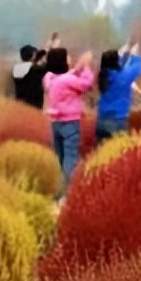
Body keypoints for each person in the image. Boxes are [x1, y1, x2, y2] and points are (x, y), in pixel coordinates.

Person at [43, 47, 94, 191]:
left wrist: (77, 68)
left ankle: (58, 187)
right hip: (70, 122)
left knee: (59, 157)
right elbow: (86, 85)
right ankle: (67, 190)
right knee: (70, 156)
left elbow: (67, 77)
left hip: (55, 123)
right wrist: (86, 68)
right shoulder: (68, 80)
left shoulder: (49, 78)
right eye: (67, 57)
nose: (69, 59)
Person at [95, 39, 141, 144]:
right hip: (117, 121)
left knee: (101, 155)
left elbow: (116, 65)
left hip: (101, 121)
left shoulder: (103, 75)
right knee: (117, 154)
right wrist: (135, 55)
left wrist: (123, 53)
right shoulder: (123, 76)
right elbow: (137, 68)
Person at [12, 44, 50, 108]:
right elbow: (50, 66)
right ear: (33, 55)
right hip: (34, 104)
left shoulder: (16, 68)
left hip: (20, 103)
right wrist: (47, 53)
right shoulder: (35, 69)